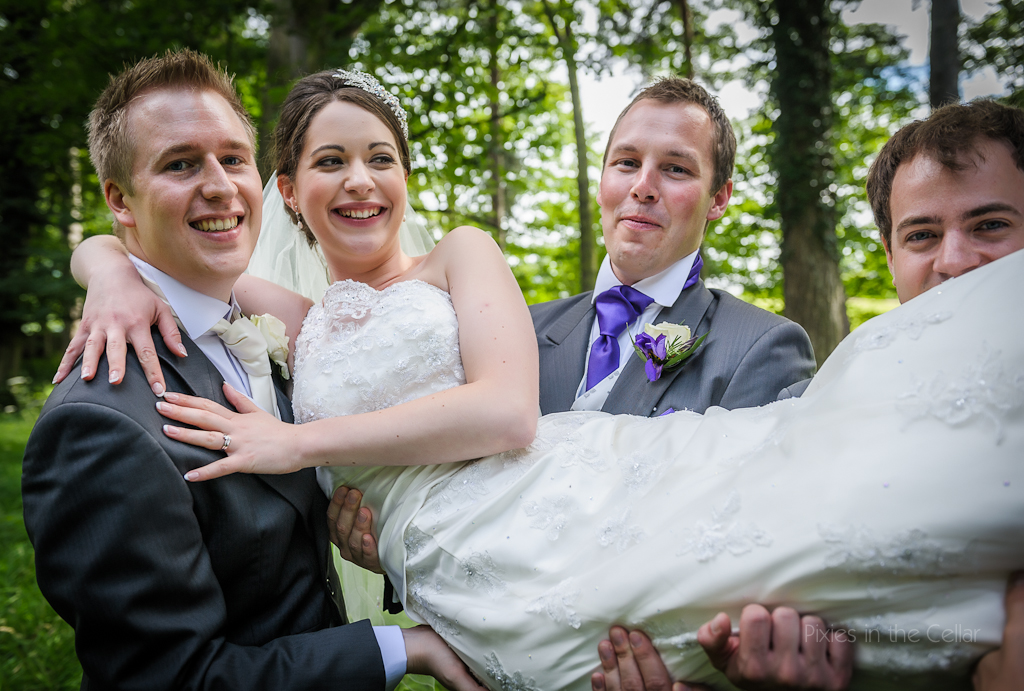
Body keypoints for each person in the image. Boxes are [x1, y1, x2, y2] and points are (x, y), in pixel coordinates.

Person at [64, 70, 1022, 690]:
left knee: (876, 522)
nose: (359, 178)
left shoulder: (461, 259)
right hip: (465, 573)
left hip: (575, 516)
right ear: (288, 191)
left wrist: (297, 444)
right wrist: (104, 266)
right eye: (330, 161)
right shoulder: (301, 320)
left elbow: (506, 412)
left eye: (381, 158)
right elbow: (172, 257)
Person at [22, 50, 483, 691]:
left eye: (234, 159)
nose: (220, 186)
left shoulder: (278, 333)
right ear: (119, 200)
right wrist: (404, 650)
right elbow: (169, 678)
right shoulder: (99, 423)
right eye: (181, 164)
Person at [595, 98, 1024, 691]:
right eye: (923, 235)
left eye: (991, 225)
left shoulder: (765, 345)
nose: (954, 261)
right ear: (890, 254)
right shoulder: (854, 386)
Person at [530, 79, 815, 418]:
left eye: (676, 169)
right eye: (627, 162)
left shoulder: (764, 347)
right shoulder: (521, 328)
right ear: (601, 183)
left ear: (718, 199)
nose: (642, 187)